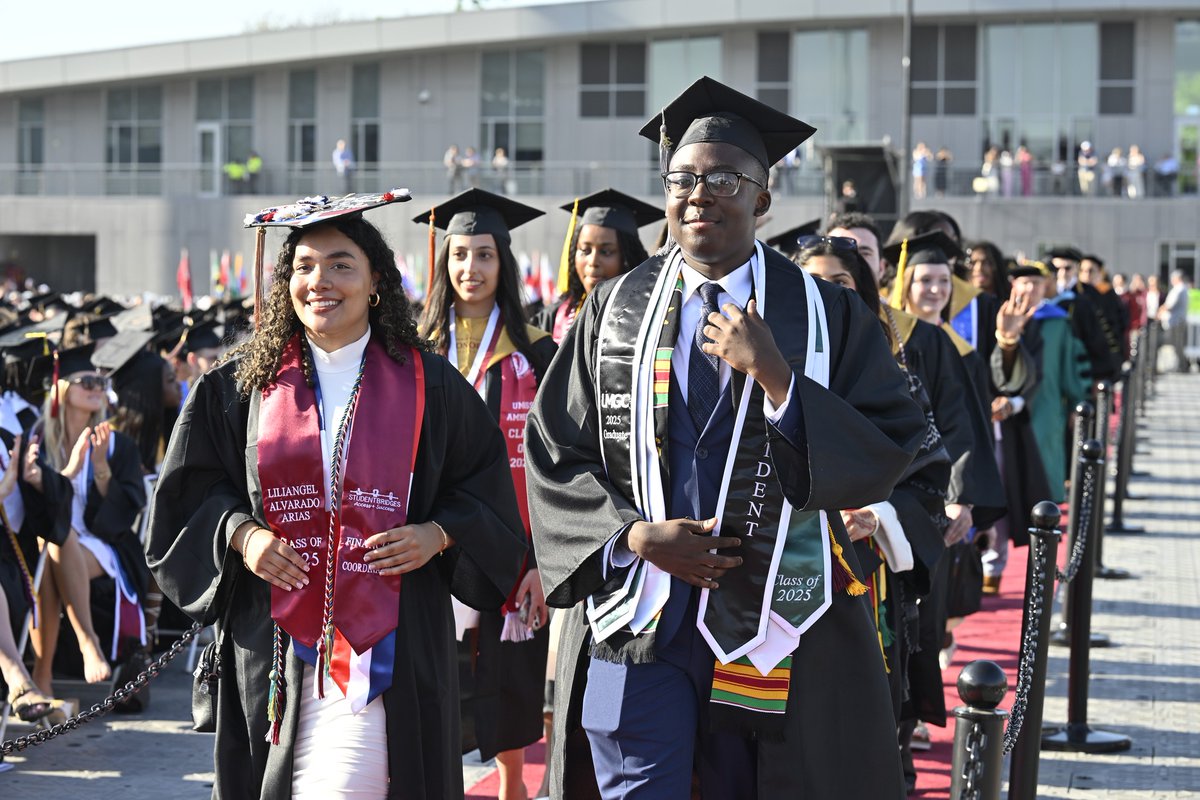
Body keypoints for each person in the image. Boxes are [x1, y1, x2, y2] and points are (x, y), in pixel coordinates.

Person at [525, 76, 925, 800]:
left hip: (775, 623)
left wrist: (778, 378)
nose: (699, 193)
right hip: (640, 616)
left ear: (763, 199)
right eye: (683, 178)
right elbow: (555, 450)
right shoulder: (613, 309)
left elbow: (894, 442)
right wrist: (632, 537)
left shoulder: (826, 313)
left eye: (724, 178)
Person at [146, 191, 528, 799]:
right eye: (303, 266)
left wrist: (439, 533)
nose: (319, 281)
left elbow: (485, 490)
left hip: (388, 650)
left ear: (376, 279)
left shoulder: (431, 385)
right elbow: (186, 496)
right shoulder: (239, 385)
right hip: (271, 648)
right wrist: (243, 535)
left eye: (341, 264)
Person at [414, 189, 553, 800]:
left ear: (505, 264)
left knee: (510, 664)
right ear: (445, 264)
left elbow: (555, 464)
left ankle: (513, 784)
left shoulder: (538, 354)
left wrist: (544, 557)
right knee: (430, 661)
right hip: (432, 532)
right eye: (461, 255)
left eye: (485, 255)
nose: (471, 269)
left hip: (509, 534)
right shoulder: (414, 352)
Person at [19, 346, 148, 696]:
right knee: (53, 546)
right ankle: (70, 655)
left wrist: (102, 467)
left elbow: (123, 517)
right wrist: (55, 476)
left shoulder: (117, 444)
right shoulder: (39, 439)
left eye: (100, 381)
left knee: (57, 544)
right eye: (86, 381)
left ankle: (51, 671)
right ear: (61, 388)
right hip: (51, 544)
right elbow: (37, 512)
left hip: (106, 546)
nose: (96, 387)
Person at [534, 188, 660, 344]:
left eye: (606, 252)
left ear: (627, 257)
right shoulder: (551, 319)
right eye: (585, 250)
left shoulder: (648, 315)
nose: (593, 261)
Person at [1022, 261, 1090, 501]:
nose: (1030, 289)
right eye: (1024, 283)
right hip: (1012, 404)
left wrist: (1075, 401)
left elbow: (1070, 365)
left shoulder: (1058, 322)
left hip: (1048, 400)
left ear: (1045, 287)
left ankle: (1047, 511)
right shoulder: (1002, 318)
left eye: (1036, 283)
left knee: (1047, 452)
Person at [1159, 269, 1192, 373]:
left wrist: (1159, 312)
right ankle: (1183, 365)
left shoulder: (1179, 289)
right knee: (1179, 345)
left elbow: (1169, 305)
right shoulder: (1183, 288)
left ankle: (1183, 366)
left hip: (1177, 322)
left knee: (1178, 345)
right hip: (1178, 321)